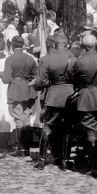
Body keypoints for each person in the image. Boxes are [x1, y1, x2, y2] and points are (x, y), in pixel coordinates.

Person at [72, 34, 97, 171]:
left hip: (86, 98)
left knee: (90, 131)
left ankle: (94, 162)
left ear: (83, 46)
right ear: (96, 45)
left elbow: (75, 79)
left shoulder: (79, 61)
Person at [36, 35, 75, 170]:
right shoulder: (73, 59)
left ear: (55, 45)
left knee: (48, 126)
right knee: (67, 128)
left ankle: (41, 160)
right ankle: (64, 160)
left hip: (52, 95)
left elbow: (41, 81)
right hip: (70, 96)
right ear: (67, 44)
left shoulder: (46, 59)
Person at [2, 35, 37, 157]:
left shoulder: (10, 59)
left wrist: (2, 76)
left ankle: (20, 148)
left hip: (15, 89)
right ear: (23, 45)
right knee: (26, 118)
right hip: (28, 89)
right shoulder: (31, 59)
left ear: (12, 45)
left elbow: (7, 78)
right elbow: (35, 76)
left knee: (17, 118)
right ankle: (27, 149)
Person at [0, 38, 15, 152]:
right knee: (6, 111)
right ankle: (6, 142)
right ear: (5, 47)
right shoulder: (8, 59)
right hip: (5, 87)